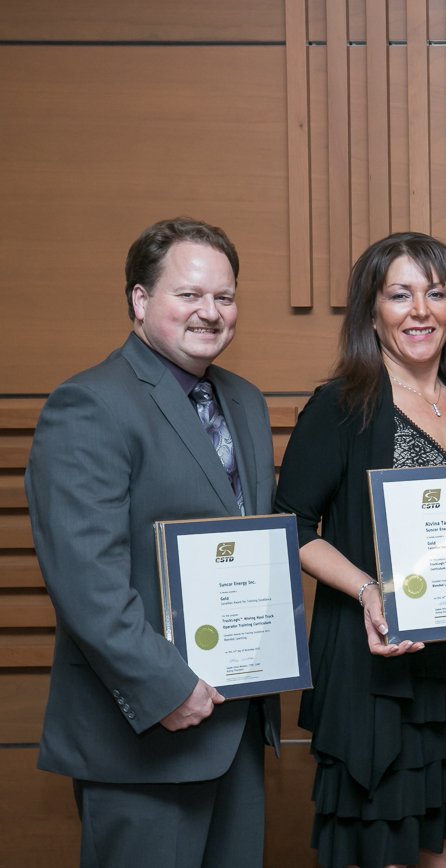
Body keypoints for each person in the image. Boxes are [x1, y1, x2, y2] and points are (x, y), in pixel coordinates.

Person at [24, 217, 281, 868]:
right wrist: (169, 688)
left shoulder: (245, 401)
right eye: (189, 295)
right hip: (146, 732)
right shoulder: (90, 404)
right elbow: (88, 583)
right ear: (141, 302)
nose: (211, 312)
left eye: (224, 297)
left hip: (235, 726)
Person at [274, 233, 446, 868]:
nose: (420, 310)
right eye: (399, 295)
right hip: (380, 671)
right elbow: (290, 525)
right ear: (371, 311)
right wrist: (368, 590)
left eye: (436, 293)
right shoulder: (343, 405)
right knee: (389, 853)